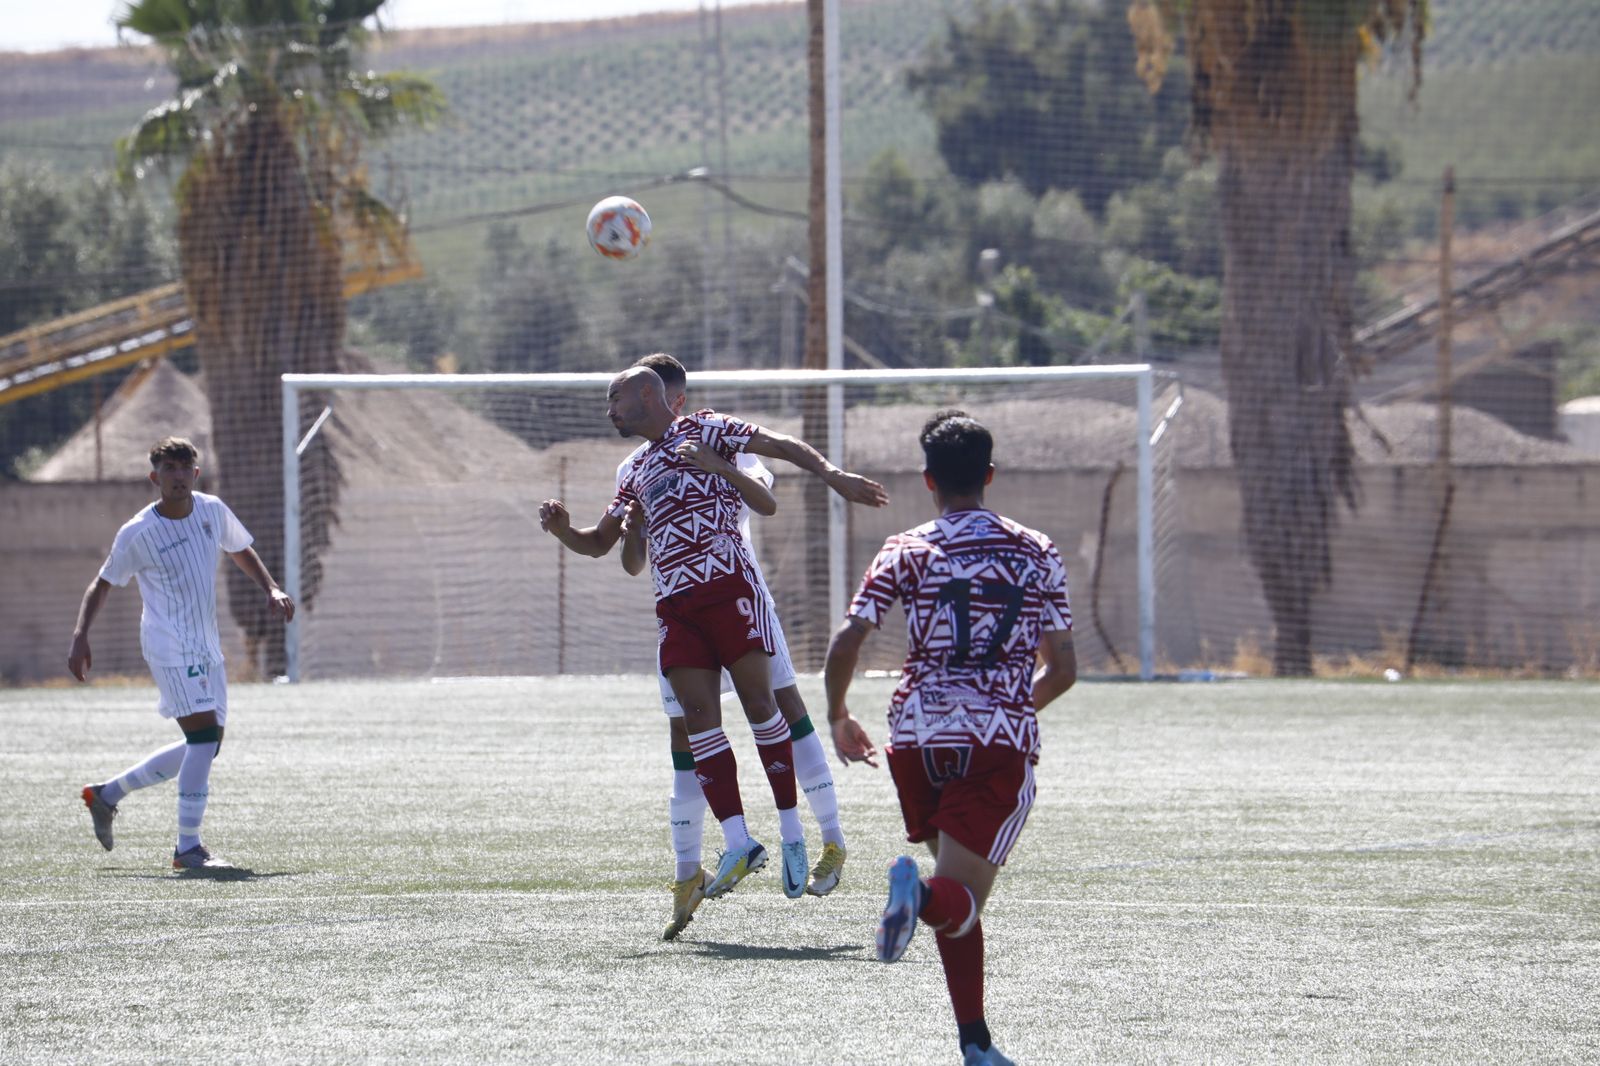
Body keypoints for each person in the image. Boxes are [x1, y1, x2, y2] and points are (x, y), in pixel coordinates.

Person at [539, 365, 886, 918]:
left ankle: (807, 833)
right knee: (695, 717)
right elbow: (608, 547)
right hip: (675, 604)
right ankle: (735, 843)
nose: (609, 411)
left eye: (615, 398)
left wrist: (833, 475)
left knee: (771, 705)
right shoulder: (632, 470)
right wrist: (563, 530)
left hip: (732, 585)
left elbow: (778, 451)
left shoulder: (708, 428)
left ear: (652, 395)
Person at [823, 411, 1077, 1066]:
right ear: (989, 476)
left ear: (928, 481)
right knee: (955, 901)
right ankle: (918, 896)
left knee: (955, 899)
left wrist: (838, 714)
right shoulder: (1037, 549)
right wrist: (1012, 709)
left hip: (915, 740)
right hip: (993, 743)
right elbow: (1064, 667)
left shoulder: (904, 548)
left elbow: (848, 638)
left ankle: (976, 1045)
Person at [616, 353, 850, 940]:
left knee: (782, 708)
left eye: (674, 396)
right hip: (677, 601)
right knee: (687, 730)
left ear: (675, 400)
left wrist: (724, 467)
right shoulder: (635, 464)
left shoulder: (719, 435)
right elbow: (623, 553)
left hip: (740, 593)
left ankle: (825, 839)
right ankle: (691, 868)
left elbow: (762, 497)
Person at [70, 436, 295, 874]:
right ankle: (187, 849)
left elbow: (239, 548)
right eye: (167, 469)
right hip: (169, 645)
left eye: (184, 468)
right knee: (203, 739)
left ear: (195, 473)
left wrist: (270, 586)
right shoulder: (139, 532)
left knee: (207, 746)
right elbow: (103, 582)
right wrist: (81, 634)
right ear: (155, 478)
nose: (176, 476)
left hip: (206, 644)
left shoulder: (211, 509)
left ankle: (107, 794)